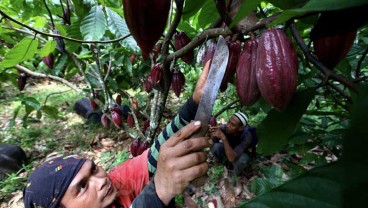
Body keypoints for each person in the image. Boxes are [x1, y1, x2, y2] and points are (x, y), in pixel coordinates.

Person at [23, 61, 212, 208]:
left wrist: (194, 103)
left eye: (94, 169)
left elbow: (155, 155)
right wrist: (159, 191)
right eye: (82, 187)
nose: (101, 181)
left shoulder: (116, 183)